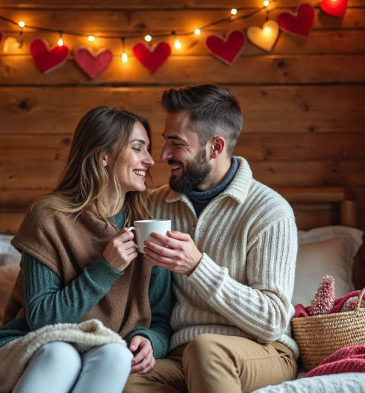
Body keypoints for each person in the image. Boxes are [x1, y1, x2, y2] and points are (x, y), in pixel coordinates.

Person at [0, 106, 173, 393]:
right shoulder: (48, 218)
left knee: (117, 353)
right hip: (41, 341)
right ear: (103, 156)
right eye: (138, 148)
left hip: (108, 345)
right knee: (62, 354)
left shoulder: (147, 228)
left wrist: (150, 341)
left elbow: (161, 320)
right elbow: (42, 318)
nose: (151, 160)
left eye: (148, 149)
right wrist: (106, 269)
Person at [124, 85, 299, 393]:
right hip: (180, 354)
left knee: (205, 351)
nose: (163, 155)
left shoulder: (269, 211)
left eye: (176, 144)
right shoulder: (153, 205)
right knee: (118, 378)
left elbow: (273, 320)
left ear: (215, 148)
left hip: (262, 350)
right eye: (164, 142)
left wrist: (197, 267)